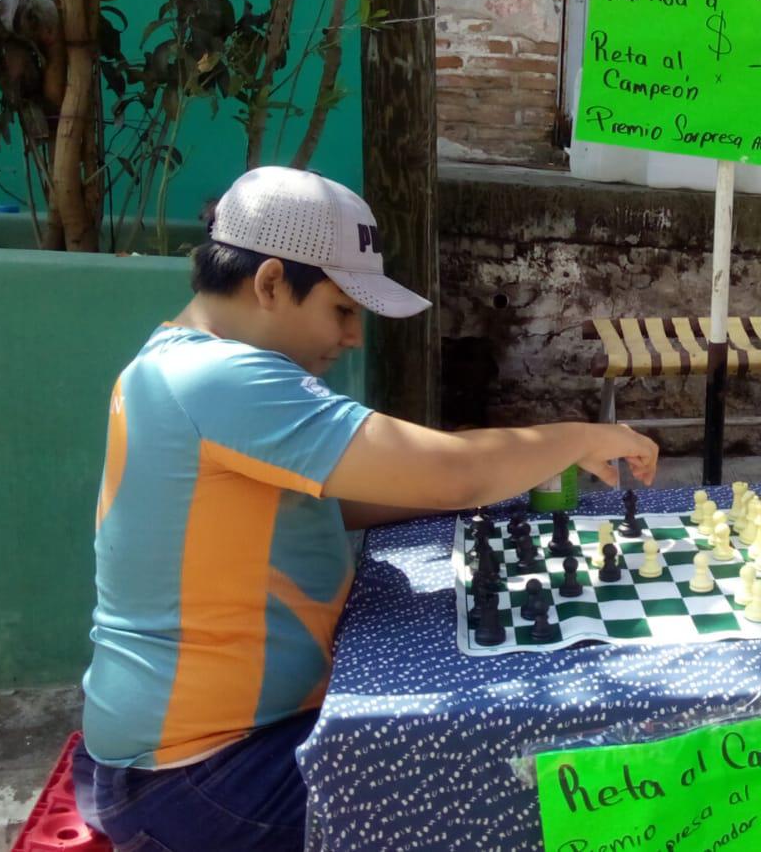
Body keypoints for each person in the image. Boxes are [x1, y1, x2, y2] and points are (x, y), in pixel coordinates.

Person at [71, 166, 658, 851]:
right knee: (523, 776)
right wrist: (581, 435)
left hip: (193, 756)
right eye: (342, 310)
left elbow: (359, 493)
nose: (353, 336)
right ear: (269, 283)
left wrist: (509, 475)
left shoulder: (176, 363)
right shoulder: (220, 378)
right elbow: (447, 475)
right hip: (203, 776)